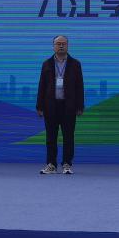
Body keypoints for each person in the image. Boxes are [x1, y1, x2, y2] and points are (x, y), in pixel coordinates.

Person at [36, 35, 84, 175]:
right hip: (51, 106)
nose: (61, 46)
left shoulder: (75, 64)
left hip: (69, 106)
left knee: (68, 136)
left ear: (68, 46)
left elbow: (79, 86)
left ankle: (67, 164)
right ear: (53, 46)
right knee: (51, 136)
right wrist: (39, 106)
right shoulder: (47, 64)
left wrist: (80, 106)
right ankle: (51, 164)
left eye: (64, 43)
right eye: (58, 44)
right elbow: (42, 86)